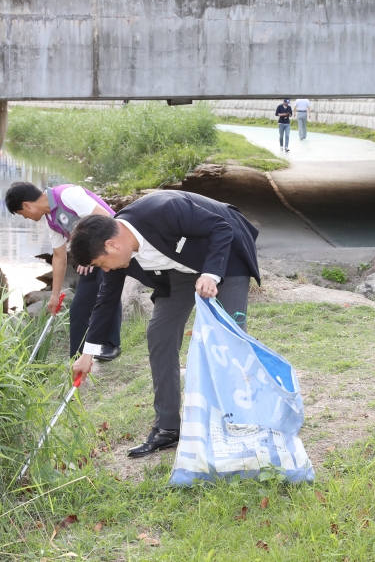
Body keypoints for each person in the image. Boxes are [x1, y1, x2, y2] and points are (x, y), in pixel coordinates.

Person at [69, 191, 260, 458]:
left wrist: (210, 274)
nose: (106, 270)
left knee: (231, 337)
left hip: (225, 256)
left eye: (102, 264)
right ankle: (167, 429)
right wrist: (87, 353)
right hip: (178, 270)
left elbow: (220, 227)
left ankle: (240, 420)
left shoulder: (163, 210)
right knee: (160, 333)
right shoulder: (120, 257)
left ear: (112, 245)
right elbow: (106, 301)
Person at [4, 182, 122, 361]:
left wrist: (92, 250)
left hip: (114, 246)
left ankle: (111, 346)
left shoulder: (67, 195)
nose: (25, 218)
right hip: (91, 257)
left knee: (105, 291)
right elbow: (59, 257)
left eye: (22, 214)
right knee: (78, 308)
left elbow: (107, 220)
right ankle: (78, 357)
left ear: (27, 205)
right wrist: (54, 295)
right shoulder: (52, 221)